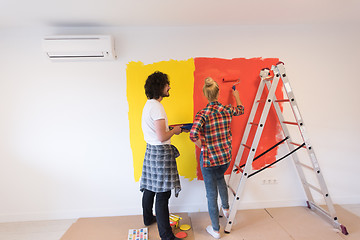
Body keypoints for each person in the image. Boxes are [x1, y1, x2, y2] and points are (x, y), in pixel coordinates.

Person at [189, 77, 244, 239]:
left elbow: (193, 134)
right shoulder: (227, 110)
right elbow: (240, 109)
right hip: (225, 158)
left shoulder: (203, 114)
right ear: (218, 93)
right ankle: (226, 209)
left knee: (211, 195)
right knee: (221, 179)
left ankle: (215, 230)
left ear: (205, 94)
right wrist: (236, 96)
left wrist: (202, 145)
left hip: (209, 160)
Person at [140, 71, 184, 240]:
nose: (169, 87)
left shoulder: (148, 105)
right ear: (160, 87)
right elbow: (162, 137)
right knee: (163, 194)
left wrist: (169, 129)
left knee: (150, 188)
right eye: (167, 84)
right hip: (160, 153)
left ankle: (148, 218)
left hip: (151, 151)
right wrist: (175, 131)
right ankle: (166, 236)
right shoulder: (157, 107)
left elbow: (157, 132)